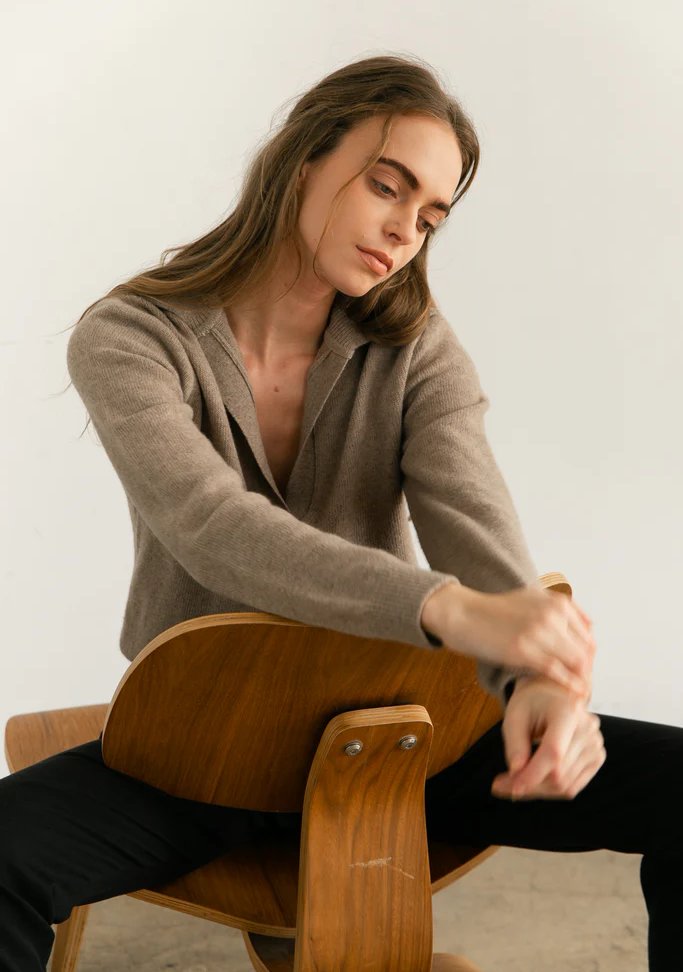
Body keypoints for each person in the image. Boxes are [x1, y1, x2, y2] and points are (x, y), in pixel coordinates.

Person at [1, 54, 680, 972]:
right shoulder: (129, 337)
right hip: (205, 742)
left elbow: (477, 529)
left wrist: (540, 682)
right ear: (301, 162)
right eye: (386, 186)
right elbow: (212, 526)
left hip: (393, 734)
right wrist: (448, 609)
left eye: (429, 216)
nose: (404, 231)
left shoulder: (416, 348)